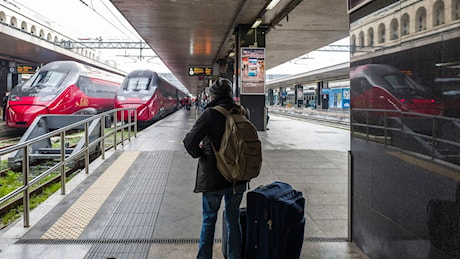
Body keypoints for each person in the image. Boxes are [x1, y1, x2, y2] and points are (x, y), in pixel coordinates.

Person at [183, 78, 247, 259]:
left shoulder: (210, 113)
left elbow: (190, 142)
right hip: (238, 175)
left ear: (212, 95)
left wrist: (201, 154)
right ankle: (234, 256)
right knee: (233, 218)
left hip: (214, 177)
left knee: (209, 219)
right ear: (229, 94)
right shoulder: (242, 111)